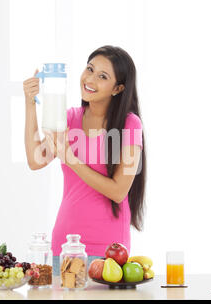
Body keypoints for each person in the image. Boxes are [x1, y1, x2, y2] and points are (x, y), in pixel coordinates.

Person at [23, 45, 146, 276]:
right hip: (66, 245)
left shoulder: (130, 125)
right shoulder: (69, 118)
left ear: (118, 88)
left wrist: (70, 158)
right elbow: (35, 160)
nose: (90, 79)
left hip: (109, 250)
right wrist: (31, 104)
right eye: (89, 69)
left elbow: (119, 191)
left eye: (102, 76)